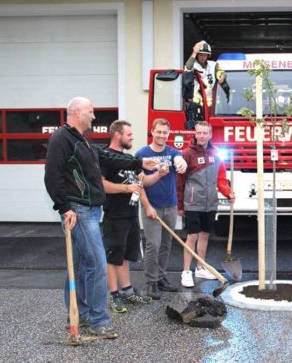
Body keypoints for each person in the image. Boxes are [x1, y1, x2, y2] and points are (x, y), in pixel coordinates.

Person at [44, 97, 158, 339]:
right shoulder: (61, 139)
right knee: (96, 264)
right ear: (76, 112)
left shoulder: (83, 141)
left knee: (81, 266)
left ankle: (81, 315)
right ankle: (98, 320)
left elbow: (107, 157)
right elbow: (51, 176)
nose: (94, 116)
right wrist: (64, 207)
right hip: (79, 211)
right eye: (90, 111)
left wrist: (139, 161)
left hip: (90, 210)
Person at [101, 120, 158, 313]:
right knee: (112, 257)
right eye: (129, 134)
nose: (132, 137)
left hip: (131, 215)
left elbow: (141, 183)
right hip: (114, 216)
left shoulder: (130, 159)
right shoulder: (105, 157)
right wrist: (125, 188)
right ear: (117, 135)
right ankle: (114, 296)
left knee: (125, 255)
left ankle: (127, 290)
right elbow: (101, 185)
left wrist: (148, 206)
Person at [177, 121, 235, 288]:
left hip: (210, 203)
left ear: (210, 135)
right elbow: (179, 181)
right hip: (193, 202)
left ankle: (200, 267)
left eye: (205, 133)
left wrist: (227, 193)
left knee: (204, 235)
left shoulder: (216, 153)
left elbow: (221, 179)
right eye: (199, 133)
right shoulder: (187, 154)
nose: (202, 136)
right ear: (195, 134)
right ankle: (186, 272)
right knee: (192, 236)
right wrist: (180, 205)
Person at [135, 118, 187, 299]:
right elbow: (139, 184)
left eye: (165, 132)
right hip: (151, 207)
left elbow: (179, 158)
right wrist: (147, 206)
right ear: (152, 131)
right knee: (153, 245)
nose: (162, 136)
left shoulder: (172, 152)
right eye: (159, 132)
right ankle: (150, 282)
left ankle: (161, 277)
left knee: (166, 244)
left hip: (170, 207)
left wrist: (181, 162)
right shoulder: (141, 154)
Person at [184, 40, 228, 123]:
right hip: (197, 104)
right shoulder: (193, 65)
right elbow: (187, 68)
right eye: (200, 54)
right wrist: (194, 52)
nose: (203, 57)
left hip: (213, 106)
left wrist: (222, 75)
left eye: (205, 55)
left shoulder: (213, 65)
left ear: (208, 55)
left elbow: (220, 72)